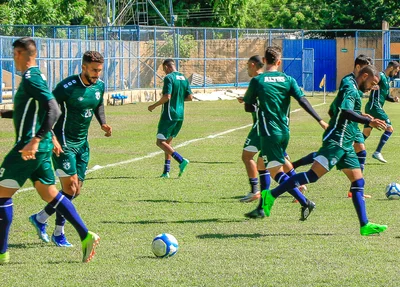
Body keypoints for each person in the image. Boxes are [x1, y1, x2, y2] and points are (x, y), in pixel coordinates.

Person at [0, 37, 99, 264]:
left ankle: (2, 253)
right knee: (50, 194)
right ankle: (86, 235)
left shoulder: (30, 77)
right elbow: (30, 111)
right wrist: (4, 114)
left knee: (1, 195)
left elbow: (53, 108)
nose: (13, 58)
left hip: (28, 148)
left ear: (21, 53)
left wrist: (34, 140)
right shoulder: (37, 77)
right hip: (41, 148)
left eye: (15, 53)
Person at [261, 65, 388, 236]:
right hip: (337, 141)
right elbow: (345, 111)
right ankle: (271, 194)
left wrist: (365, 118)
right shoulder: (351, 89)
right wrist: (367, 121)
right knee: (312, 176)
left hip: (347, 143)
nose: (372, 86)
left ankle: (364, 225)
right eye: (372, 82)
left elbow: (337, 109)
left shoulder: (352, 87)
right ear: (365, 75)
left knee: (358, 181)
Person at [29, 51, 112, 247]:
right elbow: (47, 110)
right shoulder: (66, 87)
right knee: (70, 187)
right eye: (93, 70)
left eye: (99, 70)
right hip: (63, 143)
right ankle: (59, 233)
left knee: (76, 191)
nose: (97, 74)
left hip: (82, 144)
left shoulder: (99, 85)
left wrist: (103, 124)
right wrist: (52, 137)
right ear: (83, 67)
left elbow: (98, 105)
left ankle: (40, 218)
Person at [243, 46, 328, 219]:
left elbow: (248, 106)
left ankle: (305, 202)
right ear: (279, 62)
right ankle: (261, 207)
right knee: (262, 164)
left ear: (264, 61)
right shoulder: (288, 79)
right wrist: (319, 120)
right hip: (284, 132)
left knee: (275, 172)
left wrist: (256, 104)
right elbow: (302, 100)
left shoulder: (258, 81)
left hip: (268, 132)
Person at [291, 54, 373, 198]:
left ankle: (356, 189)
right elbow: (343, 107)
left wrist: (360, 114)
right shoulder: (348, 81)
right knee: (323, 163)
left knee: (355, 151)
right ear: (358, 67)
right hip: (344, 125)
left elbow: (345, 105)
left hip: (351, 124)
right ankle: (285, 179)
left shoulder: (356, 83)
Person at [148, 59, 193, 178]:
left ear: (167, 67)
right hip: (180, 115)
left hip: (169, 114)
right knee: (168, 142)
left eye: (164, 70)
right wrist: (177, 99)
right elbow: (190, 97)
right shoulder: (184, 78)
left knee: (160, 142)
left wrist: (154, 105)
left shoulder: (169, 78)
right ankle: (166, 171)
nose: (164, 72)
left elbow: (167, 96)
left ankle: (181, 160)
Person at [237, 55, 270, 203]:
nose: (246, 69)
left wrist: (246, 101)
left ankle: (254, 190)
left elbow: (250, 107)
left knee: (247, 156)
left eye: (246, 66)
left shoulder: (256, 81)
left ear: (252, 65)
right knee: (278, 158)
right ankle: (298, 184)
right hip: (272, 125)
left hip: (261, 125)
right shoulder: (266, 80)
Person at [363, 61, 400, 163]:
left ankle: (349, 149)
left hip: (372, 107)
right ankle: (377, 152)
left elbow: (386, 96)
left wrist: (393, 99)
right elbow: (367, 82)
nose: (396, 74)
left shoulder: (387, 79)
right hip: (375, 107)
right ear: (391, 68)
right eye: (396, 71)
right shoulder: (380, 76)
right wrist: (369, 87)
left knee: (366, 132)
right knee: (389, 128)